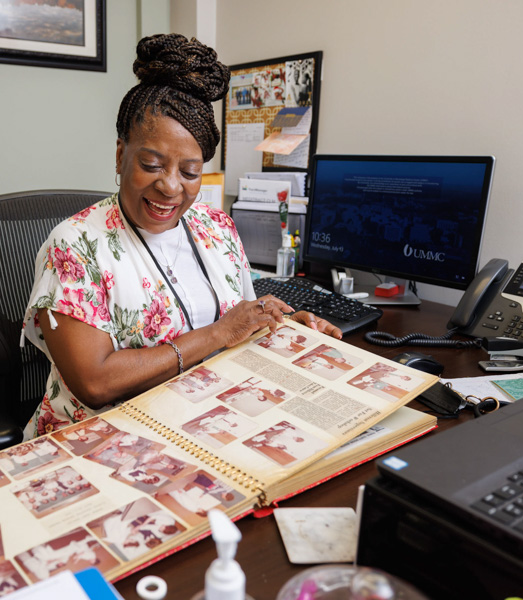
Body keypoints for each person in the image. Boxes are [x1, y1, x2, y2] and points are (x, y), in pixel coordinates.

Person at [21, 33, 342, 439]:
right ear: (121, 155)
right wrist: (216, 334)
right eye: (152, 164)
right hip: (98, 440)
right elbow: (95, 383)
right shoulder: (74, 246)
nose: (171, 187)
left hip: (203, 421)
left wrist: (288, 325)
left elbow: (239, 322)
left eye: (190, 172)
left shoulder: (216, 227)